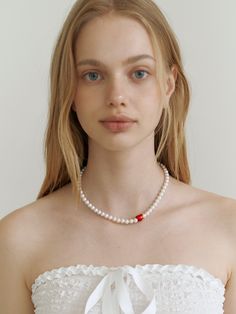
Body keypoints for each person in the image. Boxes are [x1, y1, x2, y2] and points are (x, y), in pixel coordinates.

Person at [0, 0, 235, 313]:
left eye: (139, 73)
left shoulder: (227, 226)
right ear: (69, 90)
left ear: (168, 84)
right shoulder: (18, 238)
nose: (117, 97)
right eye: (93, 75)